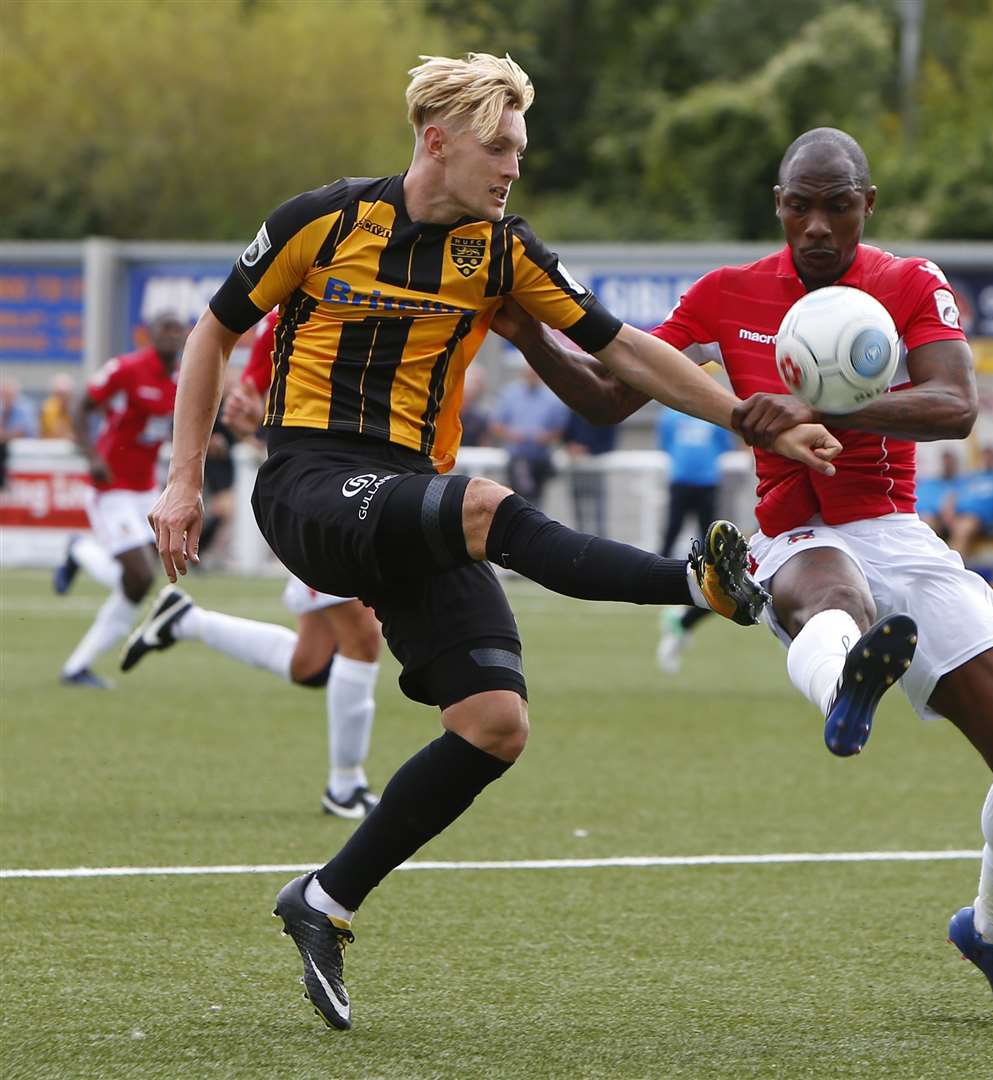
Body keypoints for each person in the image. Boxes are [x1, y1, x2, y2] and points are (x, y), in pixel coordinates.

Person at [146, 53, 838, 1031]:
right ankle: (702, 586)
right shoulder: (324, 220)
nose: (514, 165)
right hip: (307, 485)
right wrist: (183, 479)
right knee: (480, 505)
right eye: (500, 146)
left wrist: (749, 418)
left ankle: (326, 901)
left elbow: (624, 349)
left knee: (494, 723)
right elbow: (210, 338)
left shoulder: (502, 251)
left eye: (520, 147)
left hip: (408, 496)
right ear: (438, 140)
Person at [502, 126, 993, 1027]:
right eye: (798, 204)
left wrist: (829, 402)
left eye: (835, 203)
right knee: (829, 589)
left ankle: (992, 932)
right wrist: (525, 327)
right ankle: (847, 683)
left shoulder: (910, 281)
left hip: (896, 530)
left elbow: (955, 405)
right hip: (793, 531)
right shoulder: (725, 294)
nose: (815, 223)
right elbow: (610, 398)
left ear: (865, 205)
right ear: (777, 205)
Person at [119, 309, 385, 819]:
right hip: (323, 495)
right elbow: (248, 401)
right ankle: (345, 786)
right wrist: (248, 413)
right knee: (362, 635)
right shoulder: (298, 308)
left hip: (361, 485)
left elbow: (250, 404)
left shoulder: (387, 290)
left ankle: (187, 620)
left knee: (311, 663)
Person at [53, 313, 186, 688]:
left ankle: (78, 666)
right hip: (111, 486)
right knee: (139, 575)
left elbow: (171, 425)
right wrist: (92, 457)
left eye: (178, 330)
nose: (172, 336)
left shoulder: (181, 377)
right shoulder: (126, 368)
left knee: (140, 580)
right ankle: (78, 549)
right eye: (165, 329)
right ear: (149, 335)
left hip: (145, 488)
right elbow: (81, 405)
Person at [653, 406, 736, 673]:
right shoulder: (672, 416)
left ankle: (685, 617)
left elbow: (724, 446)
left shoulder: (713, 415)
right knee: (673, 532)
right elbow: (665, 443)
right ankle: (678, 607)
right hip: (682, 480)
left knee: (708, 539)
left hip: (707, 482)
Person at [488, 364, 568, 504]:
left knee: (535, 502)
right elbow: (496, 425)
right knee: (519, 498)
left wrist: (545, 437)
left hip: (540, 458)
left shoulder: (552, 398)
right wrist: (512, 435)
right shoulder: (510, 394)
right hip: (516, 457)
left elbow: (560, 429)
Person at [947, 446, 993, 564]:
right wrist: (949, 515)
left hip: (981, 519)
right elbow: (952, 496)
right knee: (929, 523)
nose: (987, 461)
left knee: (964, 528)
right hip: (958, 517)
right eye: (984, 457)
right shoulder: (971, 477)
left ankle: (951, 567)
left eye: (990, 457)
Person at [563, 409, 616, 537]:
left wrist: (588, 449)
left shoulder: (607, 411)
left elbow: (609, 442)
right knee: (578, 510)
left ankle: (599, 544)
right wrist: (571, 447)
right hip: (576, 466)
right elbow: (566, 434)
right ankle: (581, 542)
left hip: (596, 465)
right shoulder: (574, 409)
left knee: (597, 511)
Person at [0, 377, 38, 488]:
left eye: (9, 395)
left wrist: (5, 435)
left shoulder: (25, 407)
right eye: (4, 395)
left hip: (27, 455)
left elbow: (24, 431)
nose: (6, 398)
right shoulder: (2, 408)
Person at [914, 448, 960, 539]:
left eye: (949, 462)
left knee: (926, 520)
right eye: (944, 462)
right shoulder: (931, 482)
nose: (946, 465)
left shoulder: (959, 483)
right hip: (919, 517)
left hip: (937, 520)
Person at [40, 373, 76, 439]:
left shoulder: (74, 408)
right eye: (60, 394)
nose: (63, 398)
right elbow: (57, 431)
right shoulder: (48, 408)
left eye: (66, 394)